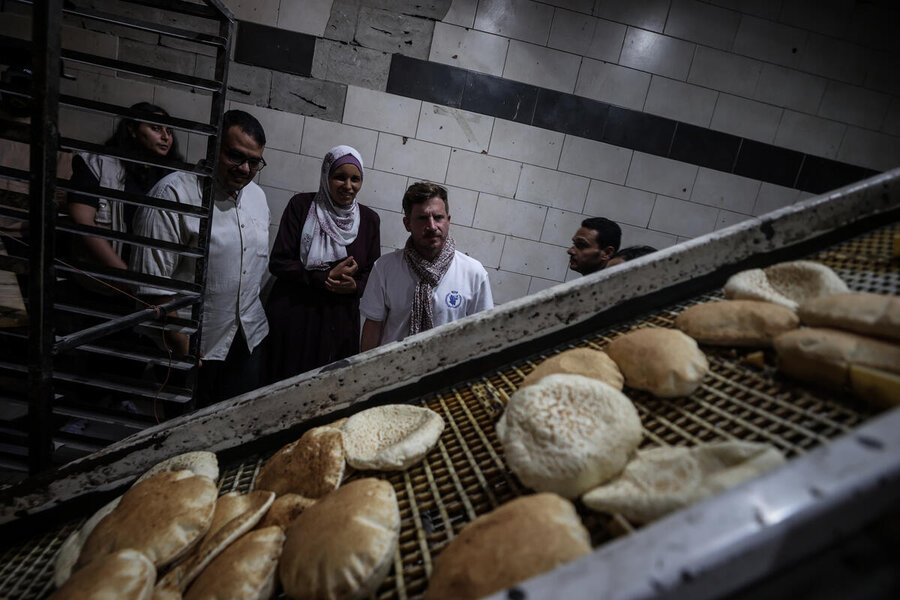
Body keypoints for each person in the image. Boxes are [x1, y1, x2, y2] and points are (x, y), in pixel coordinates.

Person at [130, 110, 270, 407]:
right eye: (235, 156)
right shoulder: (173, 195)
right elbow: (152, 286)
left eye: (254, 161)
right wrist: (184, 347)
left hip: (247, 343)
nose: (245, 168)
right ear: (214, 146)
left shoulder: (257, 198)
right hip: (194, 349)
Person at [264, 145, 380, 381]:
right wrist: (321, 278)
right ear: (326, 176)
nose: (348, 186)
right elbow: (278, 262)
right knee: (285, 383)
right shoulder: (302, 207)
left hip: (339, 321)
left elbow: (373, 275)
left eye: (355, 179)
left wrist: (355, 287)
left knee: (328, 389)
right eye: (340, 177)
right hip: (297, 314)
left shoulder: (369, 220)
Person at [359, 181, 493, 350]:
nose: (432, 226)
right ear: (407, 224)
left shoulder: (474, 273)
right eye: (422, 218)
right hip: (393, 371)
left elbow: (482, 334)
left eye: (438, 217)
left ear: (448, 220)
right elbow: (373, 328)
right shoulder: (384, 268)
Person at [67, 101, 181, 272]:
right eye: (156, 129)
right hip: (101, 280)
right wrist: (124, 276)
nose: (166, 137)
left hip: (150, 279)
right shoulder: (97, 164)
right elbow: (83, 222)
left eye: (169, 131)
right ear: (132, 129)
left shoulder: (172, 177)